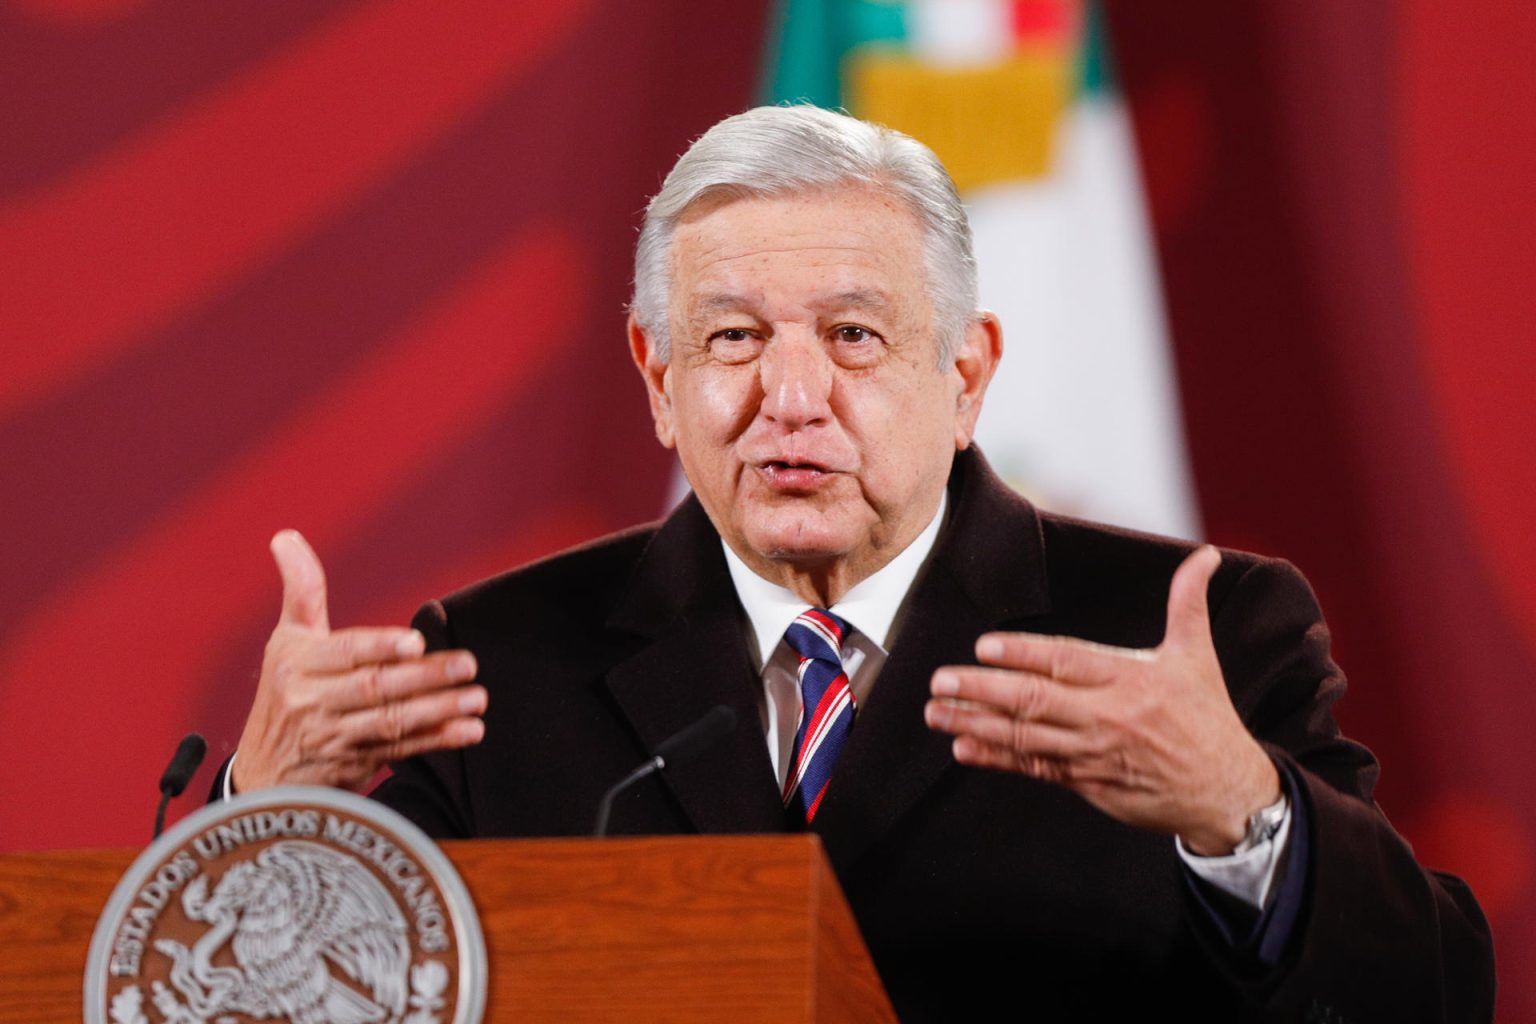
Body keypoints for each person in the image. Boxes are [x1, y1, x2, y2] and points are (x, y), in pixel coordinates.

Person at [220, 106, 1494, 1021]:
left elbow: (1431, 992)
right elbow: (288, 990)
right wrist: (254, 811)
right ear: (659, 382)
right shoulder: (499, 667)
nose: (790, 395)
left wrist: (1243, 816)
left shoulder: (1192, 638)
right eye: (730, 337)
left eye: (853, 335)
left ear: (966, 374)